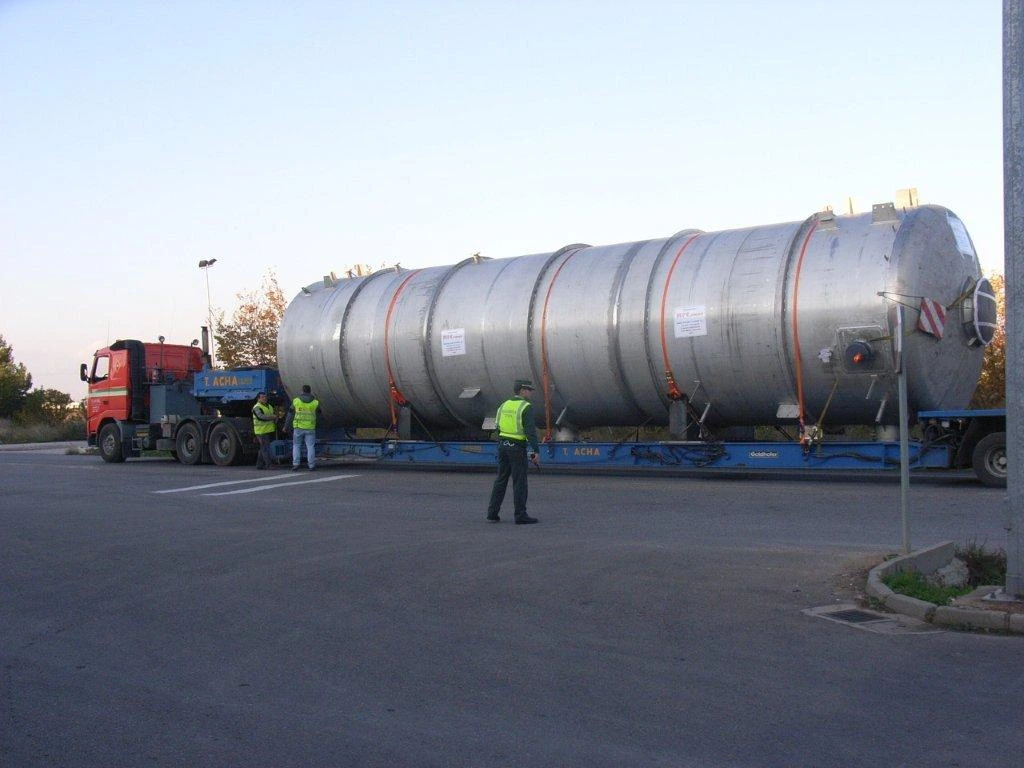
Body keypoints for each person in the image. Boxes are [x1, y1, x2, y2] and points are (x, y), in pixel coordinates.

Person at [486, 379, 540, 524]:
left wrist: (503, 441)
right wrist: (536, 451)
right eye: (529, 390)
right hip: (517, 448)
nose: (530, 393)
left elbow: (497, 426)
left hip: (503, 446)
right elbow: (530, 431)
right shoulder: (526, 407)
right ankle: (520, 515)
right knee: (519, 482)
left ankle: (492, 513)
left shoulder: (503, 405)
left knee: (501, 479)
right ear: (522, 390)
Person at [285, 384, 321, 471]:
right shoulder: (315, 402)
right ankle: (311, 465)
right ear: (310, 391)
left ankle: (296, 464)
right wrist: (318, 424)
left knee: (296, 446)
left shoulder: (296, 401)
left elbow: (290, 414)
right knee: (310, 446)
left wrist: (286, 426)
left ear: (302, 391)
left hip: (298, 427)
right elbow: (319, 415)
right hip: (310, 428)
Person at [251, 391, 279, 469]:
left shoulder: (269, 406)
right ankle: (269, 465)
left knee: (263, 448)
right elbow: (260, 417)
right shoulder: (257, 407)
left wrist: (275, 418)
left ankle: (259, 465)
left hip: (268, 430)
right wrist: (272, 417)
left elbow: (272, 414)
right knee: (265, 448)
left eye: (265, 397)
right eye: (262, 397)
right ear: (258, 399)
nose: (265, 398)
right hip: (261, 431)